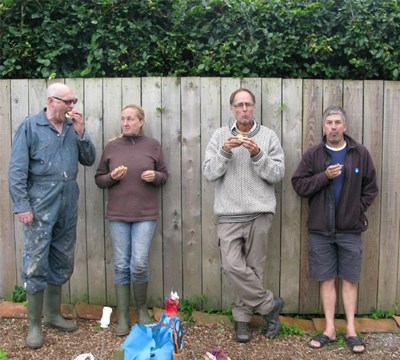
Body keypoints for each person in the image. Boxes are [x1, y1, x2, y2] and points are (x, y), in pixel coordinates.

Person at [8, 83, 96, 349]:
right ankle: (35, 325)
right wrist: (22, 205)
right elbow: (16, 170)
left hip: (68, 201)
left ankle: (54, 315)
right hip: (39, 203)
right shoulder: (31, 127)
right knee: (36, 261)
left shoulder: (73, 129)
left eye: (74, 102)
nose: (72, 107)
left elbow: (89, 160)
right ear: (51, 100)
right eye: (67, 102)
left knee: (62, 258)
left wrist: (82, 135)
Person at [291, 106, 378, 354]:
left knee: (350, 279)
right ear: (323, 127)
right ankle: (329, 328)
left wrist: (356, 210)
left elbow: (371, 187)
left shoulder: (359, 154)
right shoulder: (314, 155)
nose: (333, 127)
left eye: (337, 122)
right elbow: (298, 184)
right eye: (328, 122)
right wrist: (324, 177)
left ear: (345, 126)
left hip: (350, 230)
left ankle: (351, 329)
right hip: (320, 230)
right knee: (327, 279)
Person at [203, 88, 285, 343]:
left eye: (248, 104)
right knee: (232, 266)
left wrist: (257, 154)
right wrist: (225, 152)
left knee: (254, 270)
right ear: (232, 109)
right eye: (239, 105)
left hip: (259, 212)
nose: (244, 109)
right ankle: (270, 305)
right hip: (228, 215)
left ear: (254, 107)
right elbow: (209, 173)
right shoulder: (219, 136)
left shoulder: (269, 136)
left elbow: (277, 174)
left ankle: (242, 321)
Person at [95, 104, 168, 336]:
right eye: (123, 119)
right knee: (120, 264)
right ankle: (124, 316)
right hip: (118, 214)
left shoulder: (153, 145)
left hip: (145, 214)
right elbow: (99, 179)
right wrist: (112, 177)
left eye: (130, 119)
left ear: (140, 121)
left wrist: (155, 176)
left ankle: (142, 310)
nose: (125, 123)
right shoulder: (111, 147)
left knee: (138, 263)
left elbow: (165, 176)